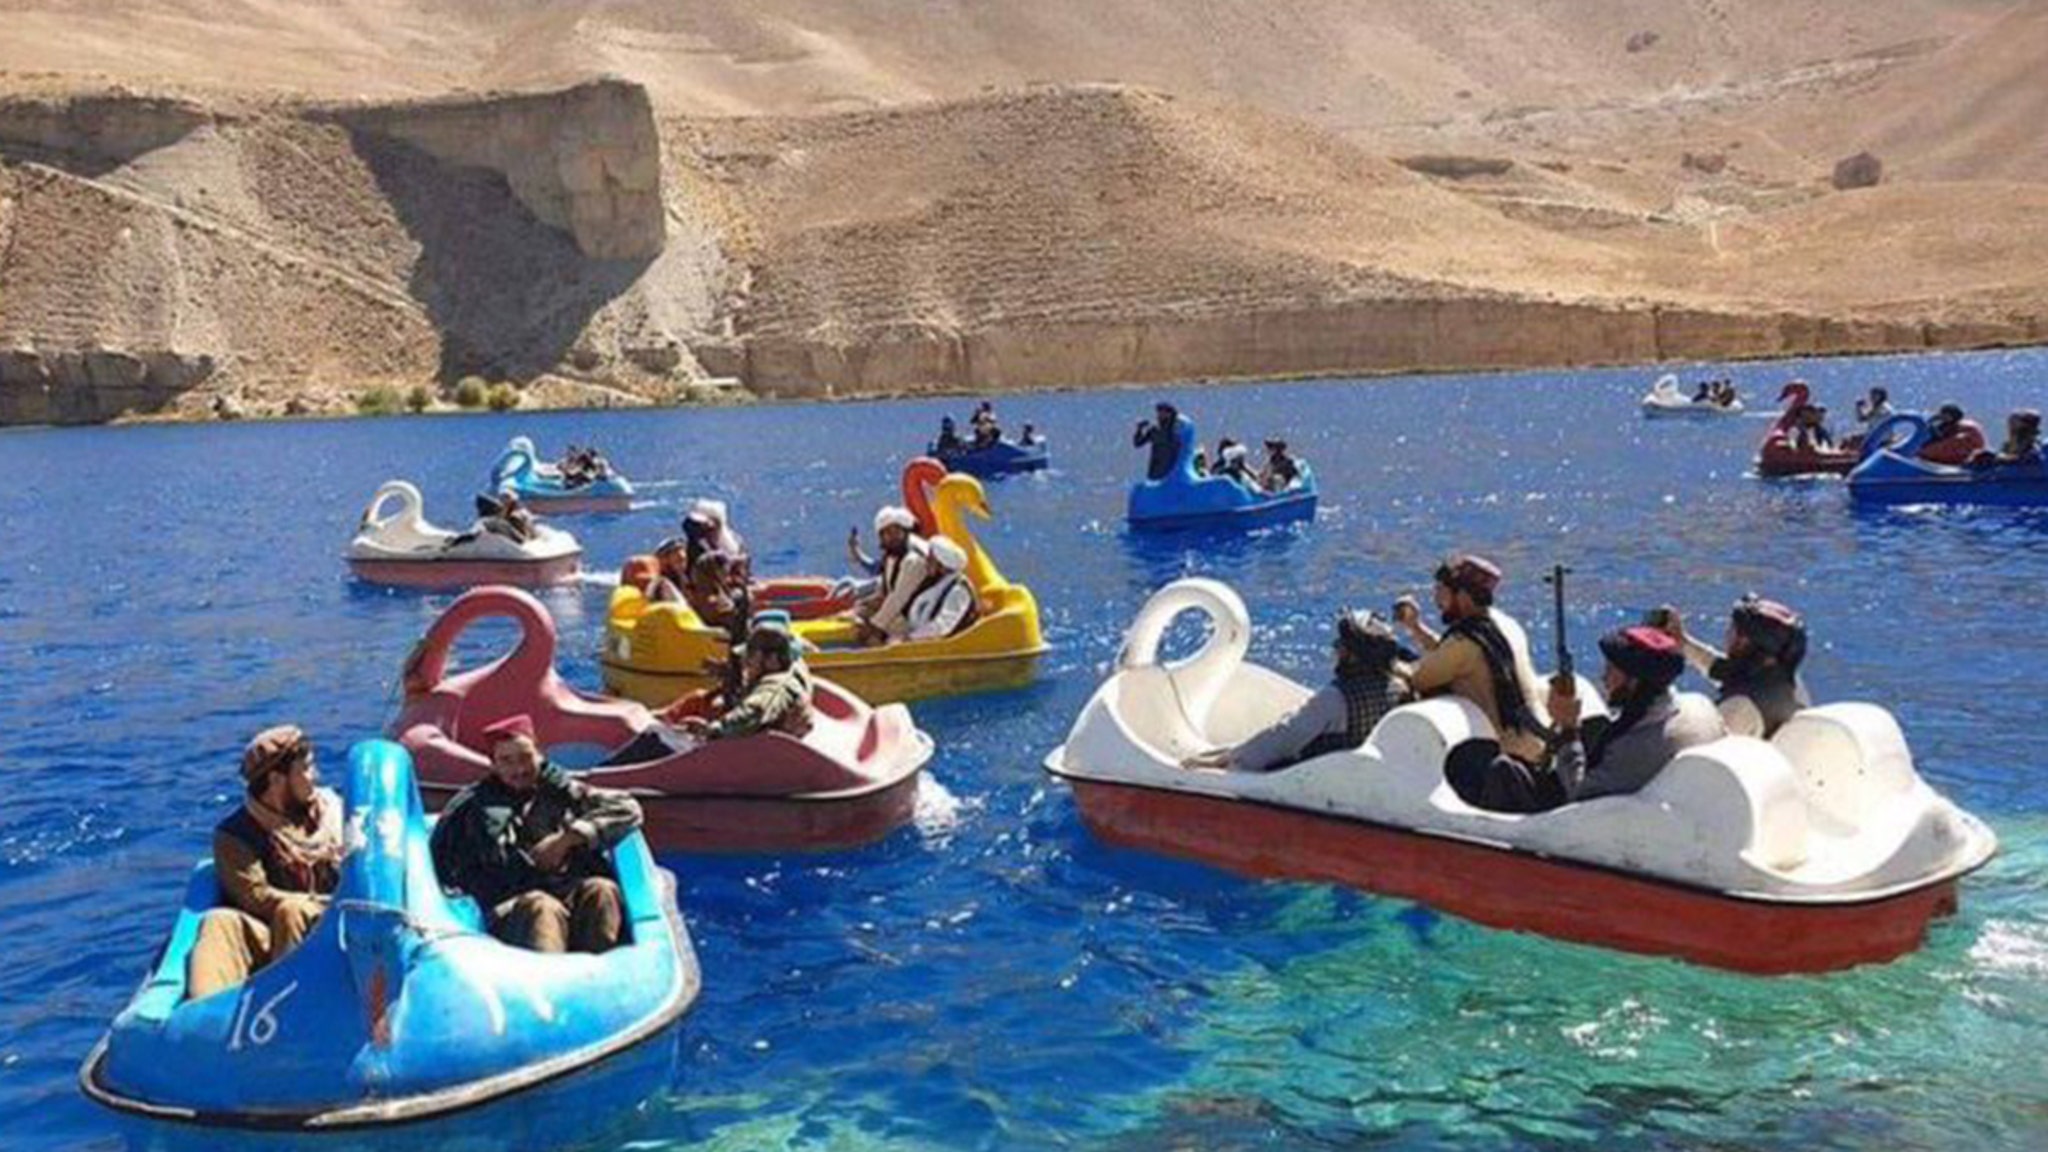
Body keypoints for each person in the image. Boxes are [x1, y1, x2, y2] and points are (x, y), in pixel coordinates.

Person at [1447, 626, 1724, 812]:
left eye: (1611, 671)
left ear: (1635, 681)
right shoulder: (1698, 706)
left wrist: (1569, 728)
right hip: (1638, 802)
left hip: (1587, 821)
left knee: (1497, 770)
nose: (1603, 678)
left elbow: (1579, 794)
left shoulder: (1638, 745)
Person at [430, 715, 643, 954]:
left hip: (565, 889)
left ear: (539, 753)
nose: (519, 769)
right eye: (507, 761)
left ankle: (601, 971)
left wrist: (566, 840)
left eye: (525, 757)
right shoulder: (469, 809)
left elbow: (628, 809)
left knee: (601, 889)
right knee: (542, 908)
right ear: (494, 764)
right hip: (509, 904)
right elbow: (440, 867)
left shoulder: (564, 791)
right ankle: (552, 982)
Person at [186, 726, 345, 999]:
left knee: (292, 910)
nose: (314, 777)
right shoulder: (235, 836)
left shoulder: (334, 811)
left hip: (344, 921)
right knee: (221, 921)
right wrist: (308, 905)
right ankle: (208, 1017)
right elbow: (256, 897)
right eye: (305, 769)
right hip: (277, 936)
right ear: (276, 780)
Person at [1184, 610, 1414, 773]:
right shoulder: (1399, 690)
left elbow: (1285, 738)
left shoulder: (1335, 699)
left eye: (1340, 645)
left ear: (1352, 655)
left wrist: (1230, 759)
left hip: (1318, 779)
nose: (1335, 649)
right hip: (1360, 775)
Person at [1393, 554, 1551, 767]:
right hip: (1538, 747)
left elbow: (1417, 678)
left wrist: (1381, 656)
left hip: (1506, 760)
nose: (1437, 600)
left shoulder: (1465, 642)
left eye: (1442, 591)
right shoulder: (1503, 625)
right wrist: (1415, 628)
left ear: (1463, 596)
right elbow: (1450, 654)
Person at [1656, 595, 1811, 738]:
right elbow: (1725, 670)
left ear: (1745, 642)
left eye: (1732, 630)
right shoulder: (1786, 679)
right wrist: (1683, 642)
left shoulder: (1738, 708)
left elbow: (1704, 759)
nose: (1727, 635)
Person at [671, 616, 816, 741]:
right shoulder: (783, 674)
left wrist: (714, 729)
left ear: (772, 660)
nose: (745, 662)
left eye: (751, 656)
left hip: (765, 758)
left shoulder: (776, 686)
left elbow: (755, 711)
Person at [855, 506, 930, 645]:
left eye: (896, 532)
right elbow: (887, 589)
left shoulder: (913, 560)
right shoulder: (892, 556)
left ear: (905, 532)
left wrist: (875, 626)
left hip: (915, 620)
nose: (892, 537)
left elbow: (898, 598)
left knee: (875, 639)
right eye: (887, 533)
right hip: (899, 613)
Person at [905, 536, 980, 640]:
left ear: (942, 565)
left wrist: (908, 638)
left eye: (931, 559)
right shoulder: (934, 582)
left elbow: (943, 626)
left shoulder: (959, 590)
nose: (926, 561)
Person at [1133, 402, 1183, 481]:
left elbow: (1182, 448)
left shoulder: (1176, 430)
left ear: (1169, 414)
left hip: (1170, 471)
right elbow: (1137, 443)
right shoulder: (1154, 430)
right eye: (1159, 412)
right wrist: (1139, 429)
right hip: (1155, 470)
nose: (1160, 414)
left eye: (1163, 412)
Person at [645, 536, 691, 604]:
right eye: (677, 561)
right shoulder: (659, 586)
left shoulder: (689, 579)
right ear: (664, 560)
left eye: (683, 560)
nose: (682, 565)